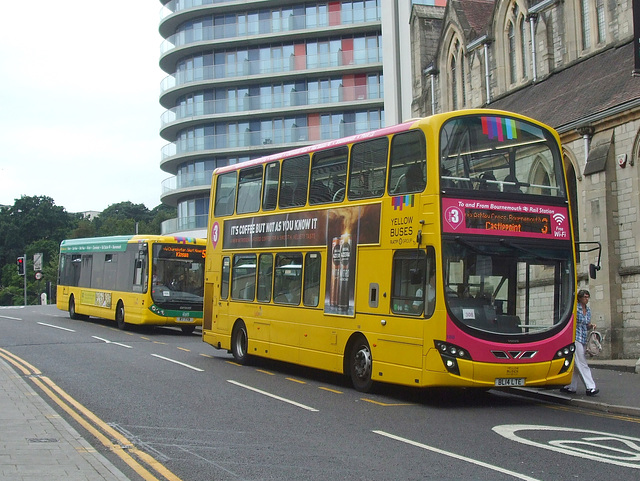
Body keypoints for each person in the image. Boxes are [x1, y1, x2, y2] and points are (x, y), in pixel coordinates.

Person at [561, 289, 599, 396]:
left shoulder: (588, 310)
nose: (586, 299)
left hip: (583, 338)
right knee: (582, 362)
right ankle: (590, 387)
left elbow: (585, 325)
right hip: (575, 338)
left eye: (588, 297)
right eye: (585, 297)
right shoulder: (574, 309)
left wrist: (591, 326)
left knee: (575, 363)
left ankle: (570, 387)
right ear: (580, 298)